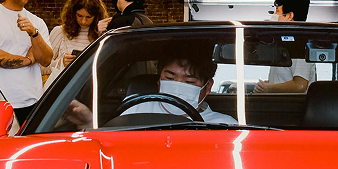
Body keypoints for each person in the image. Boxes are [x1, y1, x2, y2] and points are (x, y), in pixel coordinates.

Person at [62, 55, 237, 126]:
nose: (177, 84)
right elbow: (110, 150)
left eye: (189, 81)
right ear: (159, 80)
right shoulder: (133, 110)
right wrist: (88, 122)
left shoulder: (224, 125)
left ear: (207, 87)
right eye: (169, 78)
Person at [254, 0, 316, 93]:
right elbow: (284, 79)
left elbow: (300, 85)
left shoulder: (301, 46)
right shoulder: (285, 44)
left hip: (293, 108)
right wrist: (269, 83)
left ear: (289, 16)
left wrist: (268, 88)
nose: (274, 15)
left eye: (277, 11)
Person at [43, 0, 108, 88]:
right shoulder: (60, 32)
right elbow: (41, 68)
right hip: (63, 92)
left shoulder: (102, 35)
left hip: (90, 91)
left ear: (96, 16)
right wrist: (61, 63)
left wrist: (102, 36)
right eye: (79, 15)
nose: (83, 21)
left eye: (89, 17)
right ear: (73, 13)